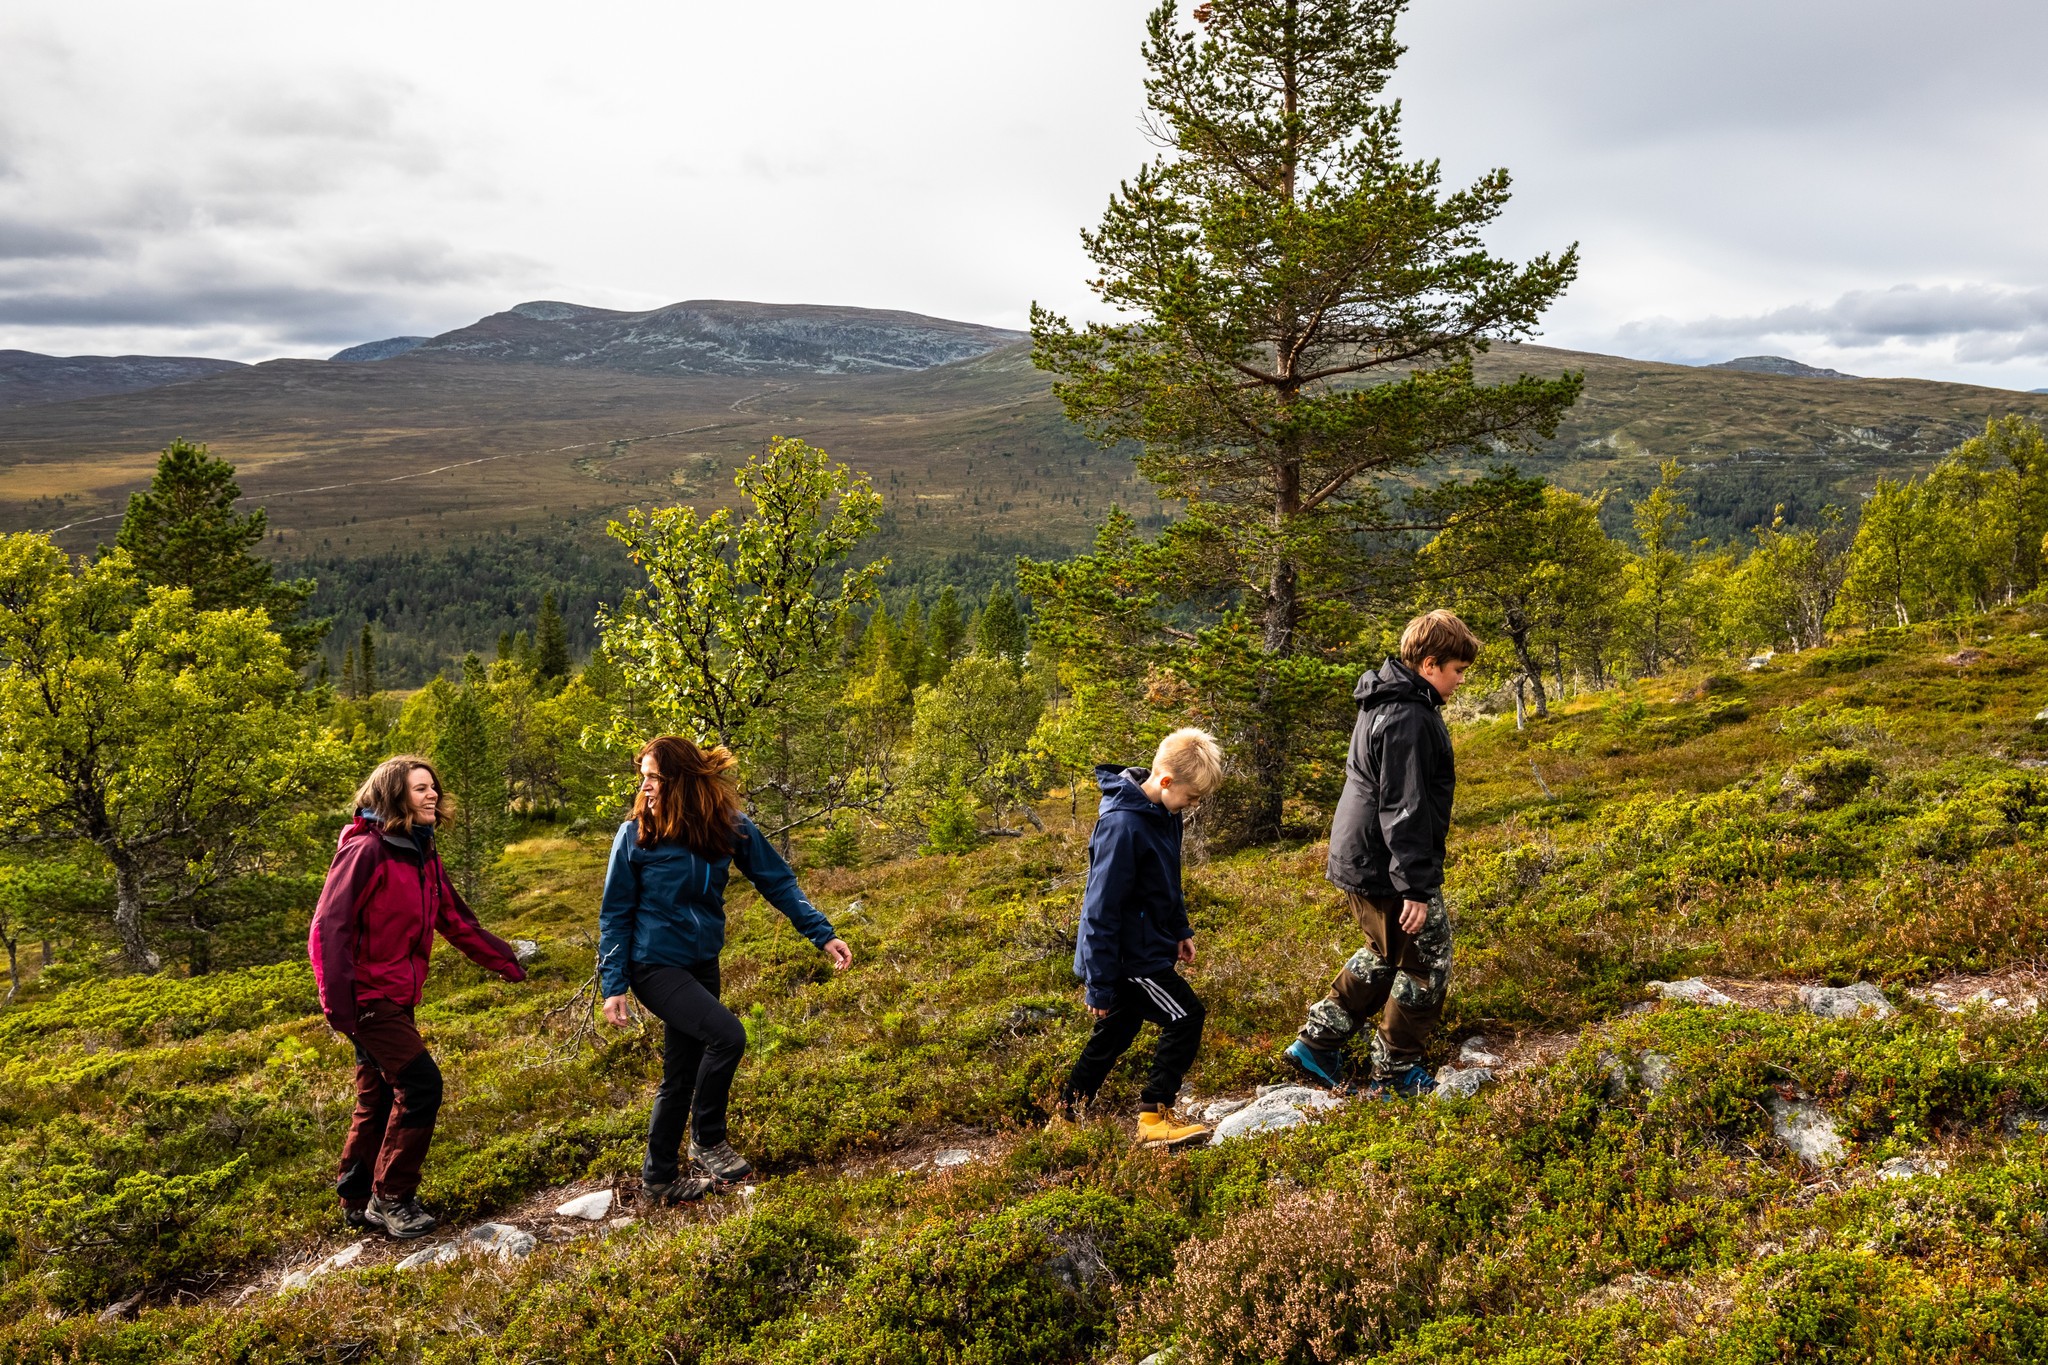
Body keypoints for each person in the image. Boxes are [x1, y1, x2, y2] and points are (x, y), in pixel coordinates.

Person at [598, 735, 853, 1204]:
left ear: (679, 780)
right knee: (728, 1036)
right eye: (644, 776)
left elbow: (776, 881)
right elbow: (615, 913)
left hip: (701, 961)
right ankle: (707, 1139)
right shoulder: (634, 834)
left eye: (653, 776)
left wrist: (822, 933)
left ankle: (658, 1180)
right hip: (654, 965)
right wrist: (613, 984)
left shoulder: (728, 826)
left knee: (681, 1071)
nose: (645, 785)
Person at [309, 755, 529, 1240]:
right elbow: (329, 928)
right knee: (421, 1084)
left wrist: (507, 962)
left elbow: (455, 919)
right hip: (366, 998)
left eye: (434, 787)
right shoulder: (365, 852)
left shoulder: (421, 853)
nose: (433, 795)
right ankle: (392, 1198)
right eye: (420, 788)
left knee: (379, 1094)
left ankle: (356, 1198)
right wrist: (340, 1005)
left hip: (396, 997)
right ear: (394, 795)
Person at [1284, 610, 1477, 1097]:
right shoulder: (1409, 715)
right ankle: (1394, 1072)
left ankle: (1319, 1042)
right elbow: (1404, 806)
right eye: (1456, 670)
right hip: (1387, 867)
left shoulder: (1386, 699)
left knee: (1385, 952)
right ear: (1430, 663)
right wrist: (1414, 886)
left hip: (1364, 859)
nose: (1459, 681)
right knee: (1427, 963)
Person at [1057, 727, 1226, 1147]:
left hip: (1149, 943)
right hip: (1129, 957)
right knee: (1186, 1016)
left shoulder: (1165, 815)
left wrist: (1180, 929)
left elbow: (1165, 881)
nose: (1193, 805)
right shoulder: (1122, 826)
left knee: (1118, 1030)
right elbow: (1100, 910)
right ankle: (1154, 1117)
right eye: (1191, 796)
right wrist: (1098, 984)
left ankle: (1066, 1116)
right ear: (1165, 781)